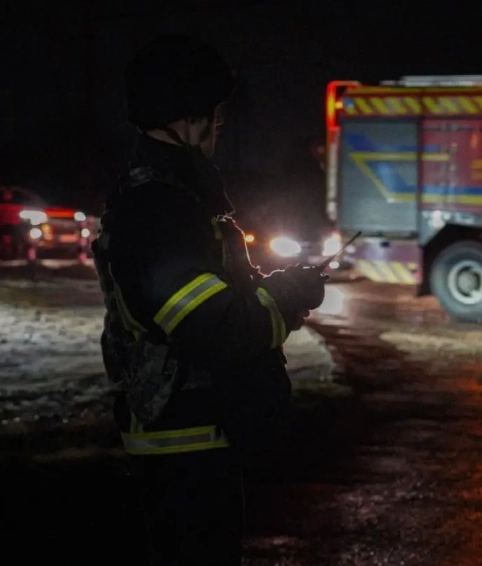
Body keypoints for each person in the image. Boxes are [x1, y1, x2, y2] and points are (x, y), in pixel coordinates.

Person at [92, 34, 328, 565]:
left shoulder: (174, 197)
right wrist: (288, 295)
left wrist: (268, 286)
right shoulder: (162, 207)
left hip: (194, 441)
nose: (220, 127)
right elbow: (213, 329)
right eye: (215, 115)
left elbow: (208, 298)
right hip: (187, 449)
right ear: (184, 119)